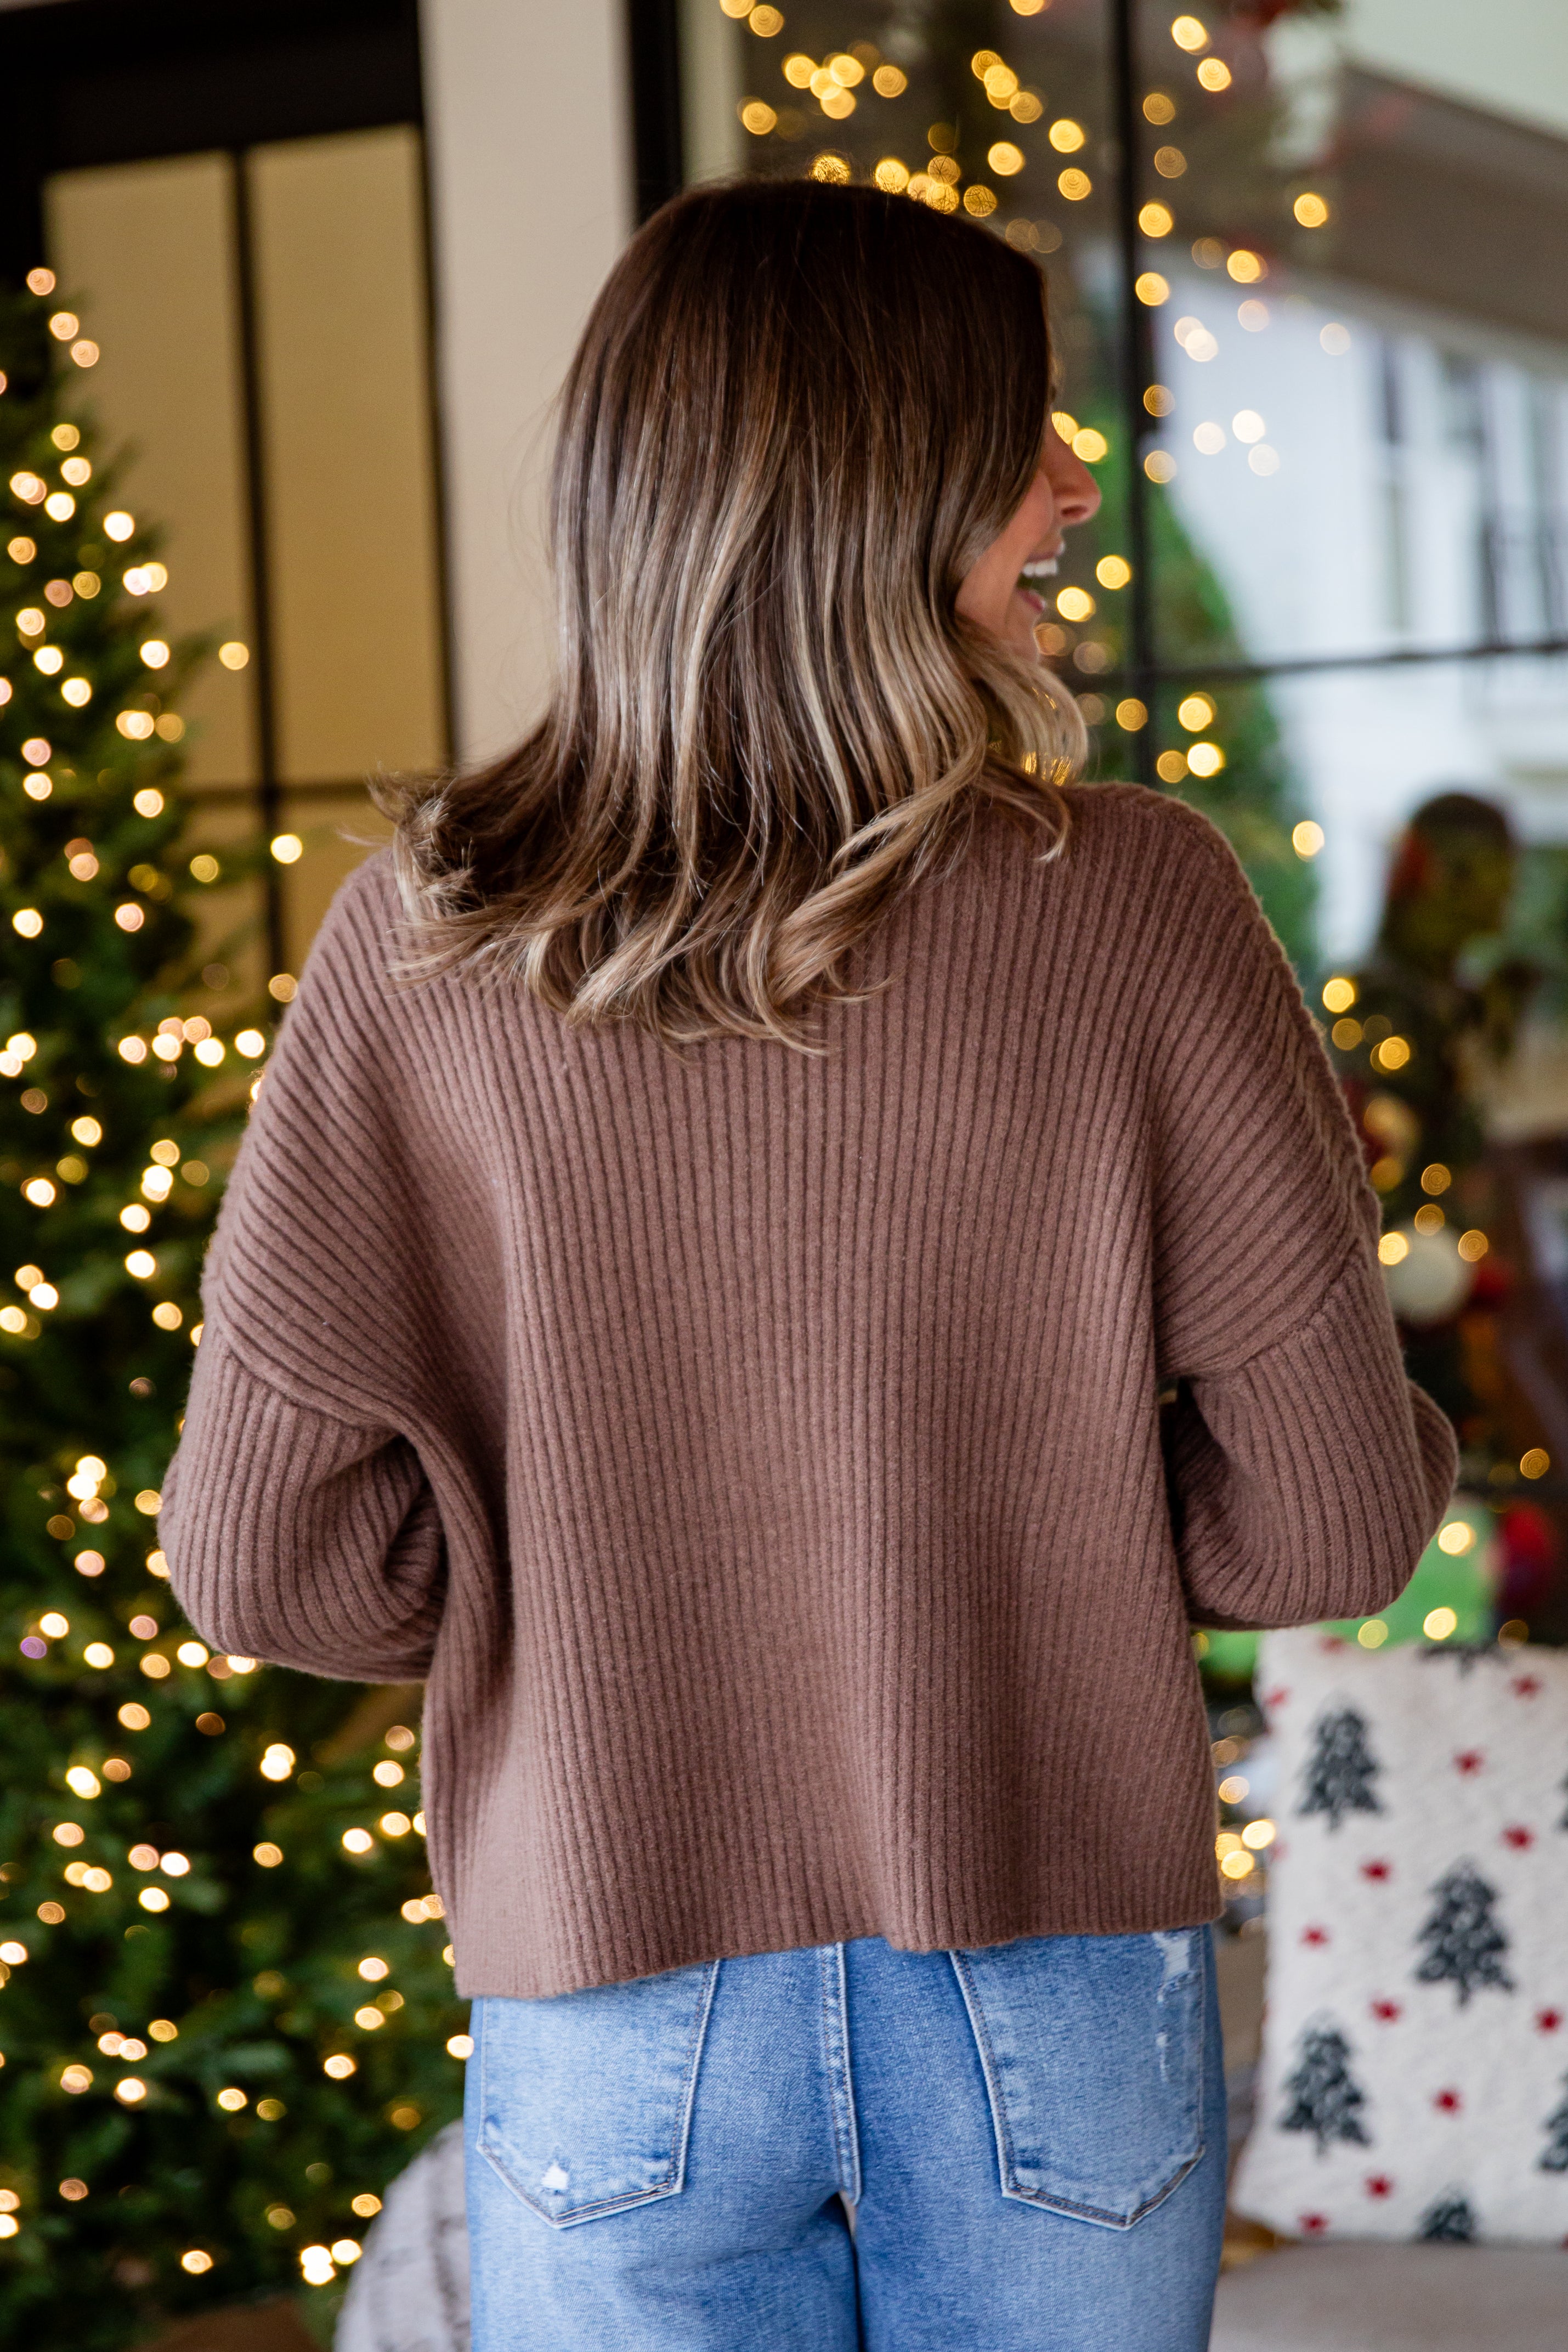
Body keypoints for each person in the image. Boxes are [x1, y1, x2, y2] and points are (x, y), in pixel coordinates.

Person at [161, 181, 1455, 2351]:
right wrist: (1033, 1540)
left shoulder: (422, 934)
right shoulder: (1139, 899)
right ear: (857, 490)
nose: (1070, 482)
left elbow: (258, 1564)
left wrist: (590, 1596)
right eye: (1013, 433)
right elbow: (1333, 1515)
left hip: (616, 1989)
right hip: (1053, 1987)